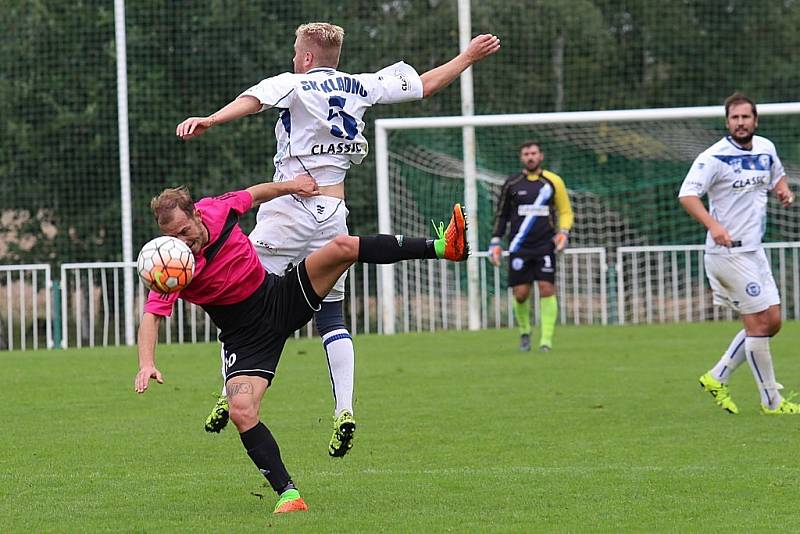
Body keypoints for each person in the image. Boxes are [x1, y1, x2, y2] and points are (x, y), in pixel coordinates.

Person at [175, 22, 501, 456]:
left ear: (306, 57)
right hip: (333, 213)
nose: (294, 58)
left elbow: (252, 101)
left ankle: (228, 391)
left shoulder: (292, 83)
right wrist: (467, 58)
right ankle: (343, 410)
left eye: (296, 51)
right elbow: (424, 85)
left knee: (238, 303)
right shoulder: (362, 84)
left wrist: (211, 120)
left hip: (289, 209)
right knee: (332, 317)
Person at [134, 177, 468, 514]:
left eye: (183, 231)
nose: (181, 242)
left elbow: (254, 194)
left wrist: (292, 185)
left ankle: (442, 247)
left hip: (280, 298)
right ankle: (289, 495)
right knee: (241, 410)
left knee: (342, 248)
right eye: (171, 237)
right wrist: (147, 363)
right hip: (246, 338)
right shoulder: (174, 265)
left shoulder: (217, 209)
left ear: (195, 215)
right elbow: (152, 316)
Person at [679, 92, 800, 415]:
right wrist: (713, 226)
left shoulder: (766, 148)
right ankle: (771, 401)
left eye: (746, 117)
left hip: (754, 251)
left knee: (772, 321)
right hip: (727, 253)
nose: (741, 123)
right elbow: (687, 195)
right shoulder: (713, 157)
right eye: (735, 118)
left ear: (755, 120)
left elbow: (777, 176)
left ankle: (717, 376)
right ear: (727, 122)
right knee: (759, 325)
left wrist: (783, 191)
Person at [489, 141, 573, 352]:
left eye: (534, 153)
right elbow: (502, 215)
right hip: (519, 246)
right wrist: (495, 241)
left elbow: (565, 211)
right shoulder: (512, 184)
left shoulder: (553, 181)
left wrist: (563, 232)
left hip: (545, 244)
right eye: (526, 153)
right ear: (521, 157)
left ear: (541, 156)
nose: (530, 157)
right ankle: (525, 332)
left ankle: (546, 340)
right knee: (520, 293)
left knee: (546, 288)